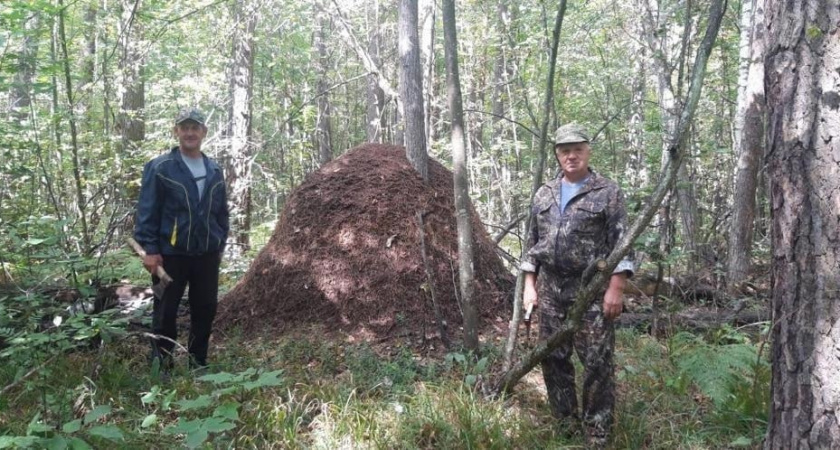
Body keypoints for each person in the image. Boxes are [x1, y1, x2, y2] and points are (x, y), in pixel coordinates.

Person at [521, 122, 634, 447]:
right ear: (557, 154)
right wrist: (531, 285)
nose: (571, 156)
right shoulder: (544, 193)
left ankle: (597, 433)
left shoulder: (607, 192)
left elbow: (622, 244)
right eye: (565, 150)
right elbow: (533, 244)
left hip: (592, 293)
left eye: (577, 150)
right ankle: (566, 426)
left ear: (587, 151)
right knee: (554, 359)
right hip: (551, 291)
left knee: (597, 362)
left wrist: (616, 289)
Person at [134, 107, 229, 371]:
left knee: (205, 308)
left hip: (206, 254)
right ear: (176, 132)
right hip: (169, 255)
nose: (189, 133)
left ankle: (198, 363)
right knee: (165, 311)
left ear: (203, 132)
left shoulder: (214, 169)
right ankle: (162, 365)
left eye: (194, 128)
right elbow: (147, 211)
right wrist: (150, 250)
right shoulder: (160, 167)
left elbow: (221, 211)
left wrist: (219, 242)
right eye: (184, 128)